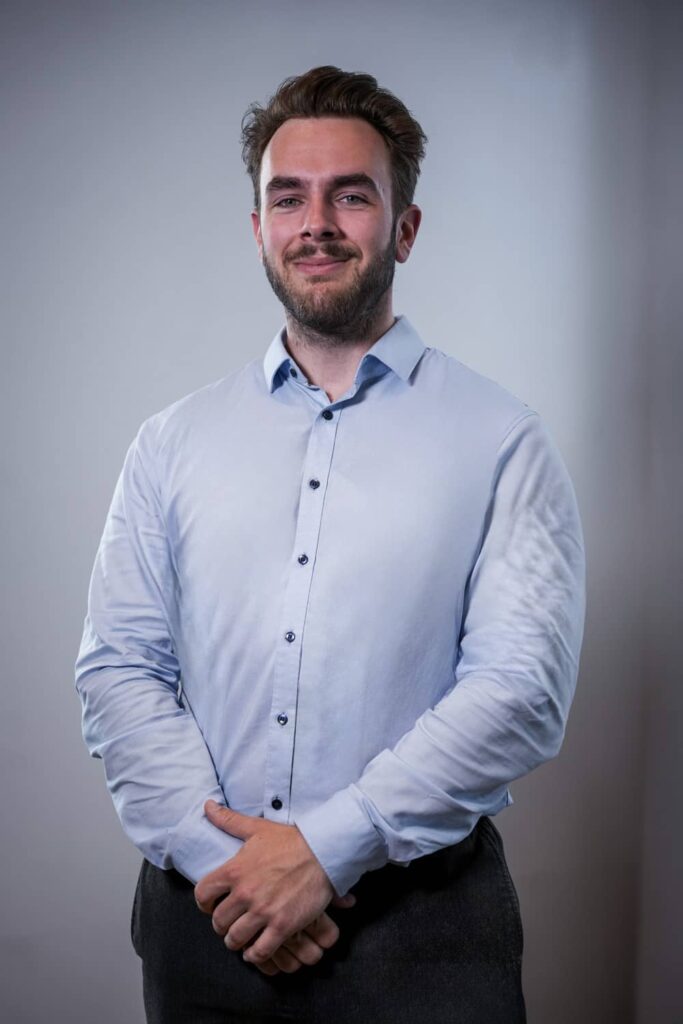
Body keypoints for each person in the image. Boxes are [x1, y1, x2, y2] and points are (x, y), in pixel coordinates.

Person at [75, 66, 586, 1024]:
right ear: (258, 229)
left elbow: (520, 690)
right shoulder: (171, 443)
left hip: (423, 931)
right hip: (206, 917)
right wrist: (235, 872)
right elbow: (120, 669)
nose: (315, 223)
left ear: (404, 228)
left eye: (350, 196)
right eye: (288, 198)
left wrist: (321, 853)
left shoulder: (500, 439)